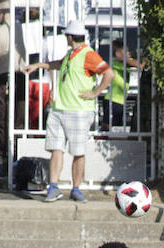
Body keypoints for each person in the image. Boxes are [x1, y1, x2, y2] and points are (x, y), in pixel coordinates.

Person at [25, 20, 114, 203]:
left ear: (70, 37)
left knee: (78, 152)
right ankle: (54, 187)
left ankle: (76, 188)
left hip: (79, 111)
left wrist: (95, 93)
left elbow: (108, 73)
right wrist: (39, 66)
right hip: (60, 109)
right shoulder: (71, 53)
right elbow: (59, 64)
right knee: (56, 149)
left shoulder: (88, 54)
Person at [0, 0, 28, 177]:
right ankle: (18, 157)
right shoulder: (21, 29)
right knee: (19, 119)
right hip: (20, 75)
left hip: (2, 77)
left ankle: (6, 160)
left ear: (4, 12)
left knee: (2, 119)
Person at [101, 39, 144, 131]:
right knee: (108, 125)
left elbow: (138, 64)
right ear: (117, 54)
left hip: (120, 101)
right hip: (112, 100)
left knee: (117, 126)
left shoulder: (126, 62)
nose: (129, 54)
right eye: (126, 52)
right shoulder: (115, 63)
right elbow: (137, 64)